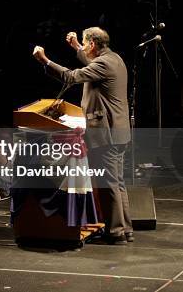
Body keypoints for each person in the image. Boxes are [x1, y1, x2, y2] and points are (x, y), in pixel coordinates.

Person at [32, 26, 133, 245]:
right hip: (118, 132)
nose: (84, 47)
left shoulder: (104, 63)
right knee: (117, 183)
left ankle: (115, 233)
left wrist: (45, 61)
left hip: (107, 134)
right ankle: (125, 229)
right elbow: (91, 65)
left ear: (93, 45)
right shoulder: (114, 58)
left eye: (85, 43)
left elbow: (71, 77)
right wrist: (78, 47)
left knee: (109, 184)